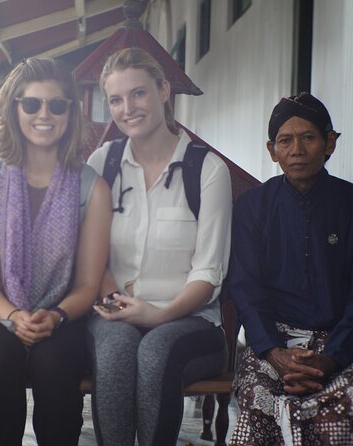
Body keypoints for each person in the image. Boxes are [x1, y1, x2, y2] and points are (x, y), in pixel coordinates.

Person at [0, 57, 111, 446]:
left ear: (70, 113)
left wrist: (55, 315)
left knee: (53, 362)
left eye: (57, 105)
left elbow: (88, 283)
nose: (45, 114)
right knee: (2, 354)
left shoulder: (92, 188)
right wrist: (13, 316)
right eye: (31, 104)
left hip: (62, 315)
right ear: (13, 109)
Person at [86, 47, 232, 445]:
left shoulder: (207, 170)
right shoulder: (103, 163)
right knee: (116, 349)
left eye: (138, 93)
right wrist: (116, 299)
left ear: (164, 90)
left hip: (191, 320)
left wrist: (159, 315)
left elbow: (209, 272)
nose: (127, 108)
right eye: (116, 99)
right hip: (115, 309)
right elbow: (89, 253)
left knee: (155, 352)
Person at [229, 92, 353, 445]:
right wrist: (274, 351)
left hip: (338, 343)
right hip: (271, 342)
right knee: (258, 411)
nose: (297, 149)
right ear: (272, 150)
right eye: (285, 140)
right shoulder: (253, 207)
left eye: (309, 137)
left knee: (340, 412)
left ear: (329, 143)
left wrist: (328, 361)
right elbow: (244, 286)